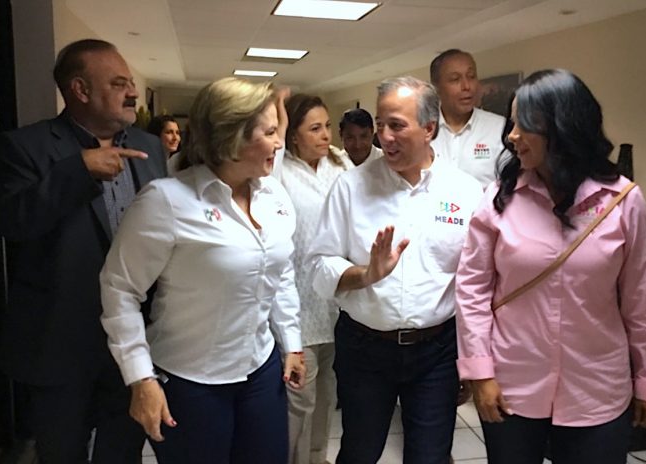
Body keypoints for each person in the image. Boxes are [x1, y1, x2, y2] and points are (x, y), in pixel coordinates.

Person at [455, 69, 646, 464]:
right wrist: (480, 373)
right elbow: (472, 291)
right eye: (511, 123)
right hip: (512, 386)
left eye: (524, 124)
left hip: (597, 390)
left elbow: (645, 300)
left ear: (562, 127)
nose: (512, 136)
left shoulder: (623, 201)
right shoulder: (499, 200)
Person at [99, 77, 306, 464]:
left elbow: (279, 274)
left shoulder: (273, 196)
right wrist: (140, 377)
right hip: (190, 380)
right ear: (232, 138)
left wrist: (291, 341)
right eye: (270, 133)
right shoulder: (166, 201)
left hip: (260, 370)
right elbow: (120, 290)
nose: (280, 143)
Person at [0, 39, 167, 463]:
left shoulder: (150, 148)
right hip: (59, 345)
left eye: (131, 83)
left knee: (122, 453)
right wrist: (78, 171)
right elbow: (14, 223)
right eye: (119, 83)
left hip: (132, 344)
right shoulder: (24, 147)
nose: (132, 92)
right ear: (80, 90)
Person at [307, 76, 483, 464]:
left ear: (429, 129)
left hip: (437, 351)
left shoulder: (465, 191)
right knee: (359, 452)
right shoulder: (350, 187)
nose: (384, 137)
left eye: (397, 125)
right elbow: (319, 266)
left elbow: (475, 283)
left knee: (431, 456)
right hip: (365, 348)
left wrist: (473, 360)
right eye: (380, 124)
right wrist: (365, 275)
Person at [276, 94, 353, 464]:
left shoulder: (339, 164)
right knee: (299, 398)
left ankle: (318, 457)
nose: (326, 135)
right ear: (293, 135)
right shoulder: (280, 170)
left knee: (327, 391)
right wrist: (278, 114)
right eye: (315, 128)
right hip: (297, 301)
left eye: (327, 126)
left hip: (336, 301)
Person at [429, 49, 505, 187]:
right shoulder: (423, 130)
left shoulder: (500, 128)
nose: (466, 86)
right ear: (436, 87)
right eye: (455, 79)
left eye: (471, 76)